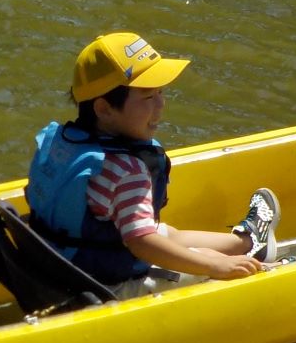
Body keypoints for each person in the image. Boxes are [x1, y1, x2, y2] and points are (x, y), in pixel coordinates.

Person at [24, 31, 280, 298]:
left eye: (160, 92)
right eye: (148, 97)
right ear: (104, 109)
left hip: (58, 265)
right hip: (107, 288)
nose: (161, 104)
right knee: (199, 257)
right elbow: (142, 243)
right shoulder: (128, 171)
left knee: (166, 233)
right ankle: (260, 266)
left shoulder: (61, 144)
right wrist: (217, 265)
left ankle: (248, 242)